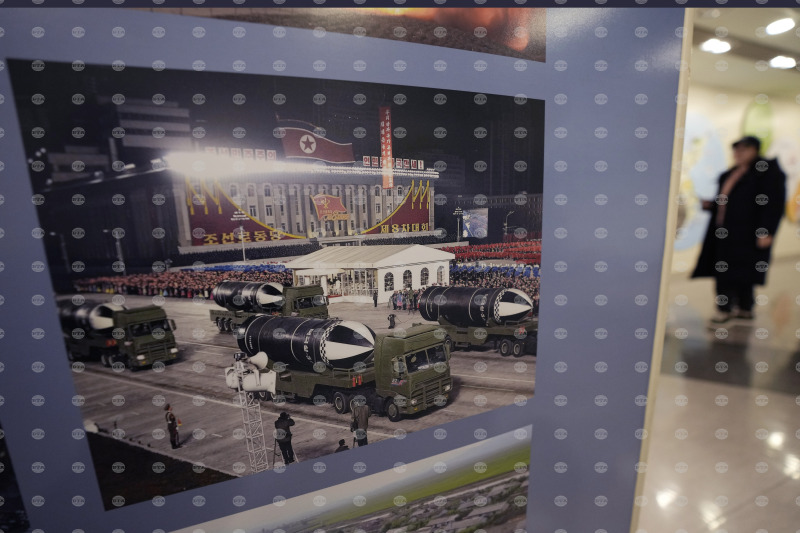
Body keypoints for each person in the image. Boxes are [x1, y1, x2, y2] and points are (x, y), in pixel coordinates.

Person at [692, 136, 786, 324]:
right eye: (736, 150)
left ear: (754, 150)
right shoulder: (732, 173)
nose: (738, 154)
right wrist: (711, 205)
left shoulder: (765, 173)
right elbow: (729, 203)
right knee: (725, 271)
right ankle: (732, 307)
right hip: (725, 232)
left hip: (746, 233)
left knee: (742, 270)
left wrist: (766, 230)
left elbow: (773, 205)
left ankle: (739, 307)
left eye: (744, 149)